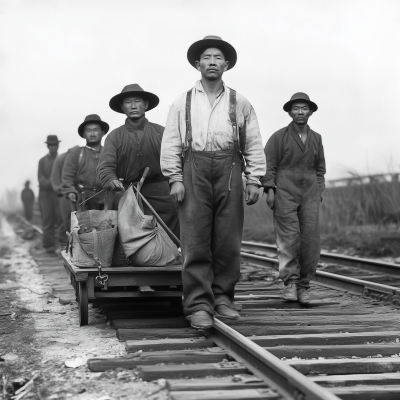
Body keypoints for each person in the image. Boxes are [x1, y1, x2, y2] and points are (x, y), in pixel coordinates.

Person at [160, 35, 266, 329]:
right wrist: (174, 178)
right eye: (206, 57)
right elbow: (170, 142)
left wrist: (254, 179)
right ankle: (198, 305)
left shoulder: (239, 101)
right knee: (195, 240)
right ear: (197, 64)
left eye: (218, 58)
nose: (212, 62)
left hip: (229, 169)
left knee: (228, 239)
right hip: (193, 168)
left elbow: (253, 143)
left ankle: (222, 298)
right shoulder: (182, 101)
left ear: (227, 64)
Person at [261, 93, 326, 304]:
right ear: (290, 112)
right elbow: (268, 165)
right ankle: (290, 283)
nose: (300, 112)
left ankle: (304, 286)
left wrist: (319, 190)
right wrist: (270, 190)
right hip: (285, 192)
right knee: (289, 240)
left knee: (310, 241)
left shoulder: (316, 138)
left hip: (310, 194)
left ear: (311, 112)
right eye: (296, 108)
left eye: (304, 108)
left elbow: (320, 169)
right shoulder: (278, 137)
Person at [97, 84, 180, 239]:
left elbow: (175, 160)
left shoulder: (161, 132)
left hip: (161, 192)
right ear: (122, 107)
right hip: (130, 193)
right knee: (134, 238)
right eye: (128, 102)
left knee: (169, 234)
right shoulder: (114, 137)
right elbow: (105, 167)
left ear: (146, 105)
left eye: (137, 101)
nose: (133, 106)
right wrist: (111, 180)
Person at [62, 115, 109, 211]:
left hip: (106, 201)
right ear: (83, 134)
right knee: (85, 225)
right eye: (88, 130)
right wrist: (71, 192)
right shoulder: (76, 153)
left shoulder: (110, 153)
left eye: (96, 130)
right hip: (83, 201)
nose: (92, 134)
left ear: (102, 132)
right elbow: (67, 177)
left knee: (107, 225)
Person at [38, 135, 62, 253]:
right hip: (46, 195)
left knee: (61, 219)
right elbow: (41, 180)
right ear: (48, 146)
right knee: (47, 219)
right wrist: (54, 183)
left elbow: (66, 176)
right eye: (51, 145)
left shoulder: (62, 159)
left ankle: (62, 244)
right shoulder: (42, 161)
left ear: (58, 145)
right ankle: (48, 245)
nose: (53, 147)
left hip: (59, 195)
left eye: (55, 145)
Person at [51, 145, 79, 247]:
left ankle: (74, 244)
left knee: (77, 219)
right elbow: (55, 180)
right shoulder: (60, 160)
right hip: (64, 194)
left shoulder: (78, 159)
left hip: (77, 193)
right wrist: (65, 191)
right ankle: (65, 243)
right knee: (67, 219)